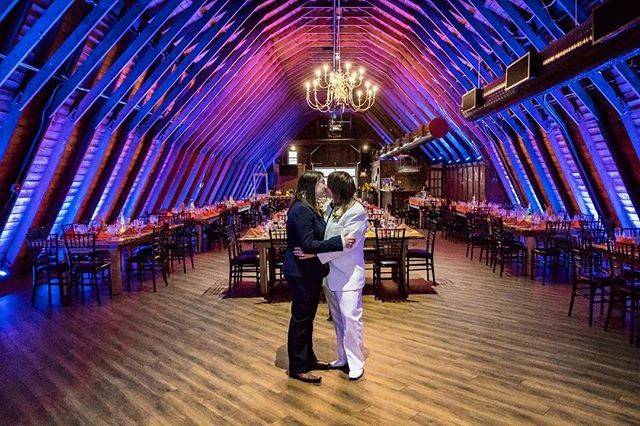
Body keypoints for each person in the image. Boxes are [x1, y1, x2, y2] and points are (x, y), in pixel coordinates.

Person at [283, 170, 355, 384]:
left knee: (308, 318)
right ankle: (298, 367)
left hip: (309, 271)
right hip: (300, 271)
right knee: (301, 319)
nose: (325, 186)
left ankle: (308, 359)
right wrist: (340, 242)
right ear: (310, 186)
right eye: (321, 182)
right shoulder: (301, 211)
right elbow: (307, 244)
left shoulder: (310, 208)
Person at [295, 171, 368, 381]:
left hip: (348, 275)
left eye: (328, 185)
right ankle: (343, 357)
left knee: (351, 319)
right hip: (329, 274)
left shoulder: (357, 211)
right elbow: (329, 236)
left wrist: (314, 253)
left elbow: (346, 246)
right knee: (338, 320)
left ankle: (356, 362)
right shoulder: (330, 206)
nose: (325, 187)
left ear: (338, 188)